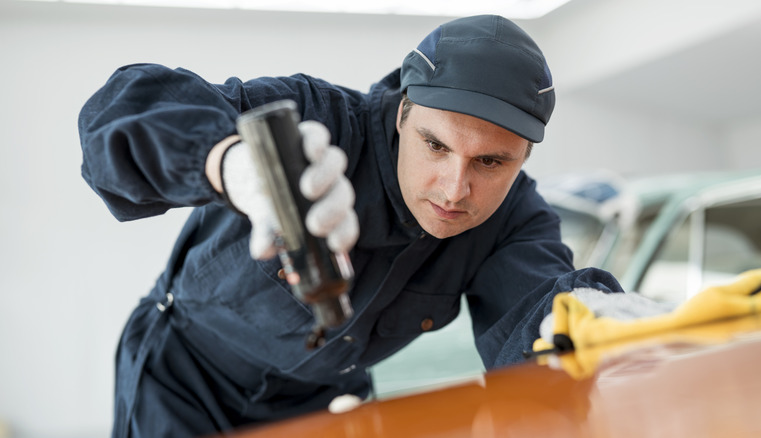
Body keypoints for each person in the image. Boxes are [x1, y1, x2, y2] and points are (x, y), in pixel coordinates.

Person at [78, 14, 623, 438]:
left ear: (523, 158)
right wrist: (232, 162)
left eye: (491, 162)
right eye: (435, 145)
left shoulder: (514, 221)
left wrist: (606, 326)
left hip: (321, 403)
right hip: (183, 382)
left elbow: (541, 320)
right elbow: (123, 107)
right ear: (404, 112)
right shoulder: (315, 120)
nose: (455, 189)